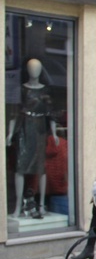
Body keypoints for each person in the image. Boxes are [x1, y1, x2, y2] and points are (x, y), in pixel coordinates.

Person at [6, 58, 58, 218]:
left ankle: (41, 204)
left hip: (40, 129)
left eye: (37, 68)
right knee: (20, 167)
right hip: (25, 128)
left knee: (40, 168)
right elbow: (15, 113)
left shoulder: (46, 90)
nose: (34, 71)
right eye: (31, 68)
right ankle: (18, 206)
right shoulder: (21, 89)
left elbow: (51, 113)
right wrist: (9, 133)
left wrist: (54, 133)